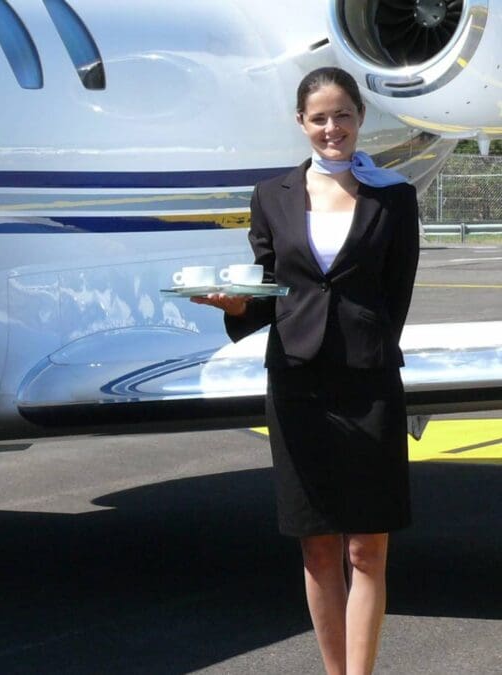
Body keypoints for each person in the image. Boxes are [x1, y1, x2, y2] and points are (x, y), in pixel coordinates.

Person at [192, 66, 420, 675]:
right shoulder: (272, 196)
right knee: (319, 548)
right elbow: (267, 288)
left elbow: (395, 295)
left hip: (367, 382)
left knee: (368, 548)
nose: (331, 128)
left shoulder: (393, 197)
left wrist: (366, 350)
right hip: (296, 382)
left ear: (359, 119)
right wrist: (237, 306)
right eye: (318, 118)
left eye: (341, 114)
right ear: (301, 123)